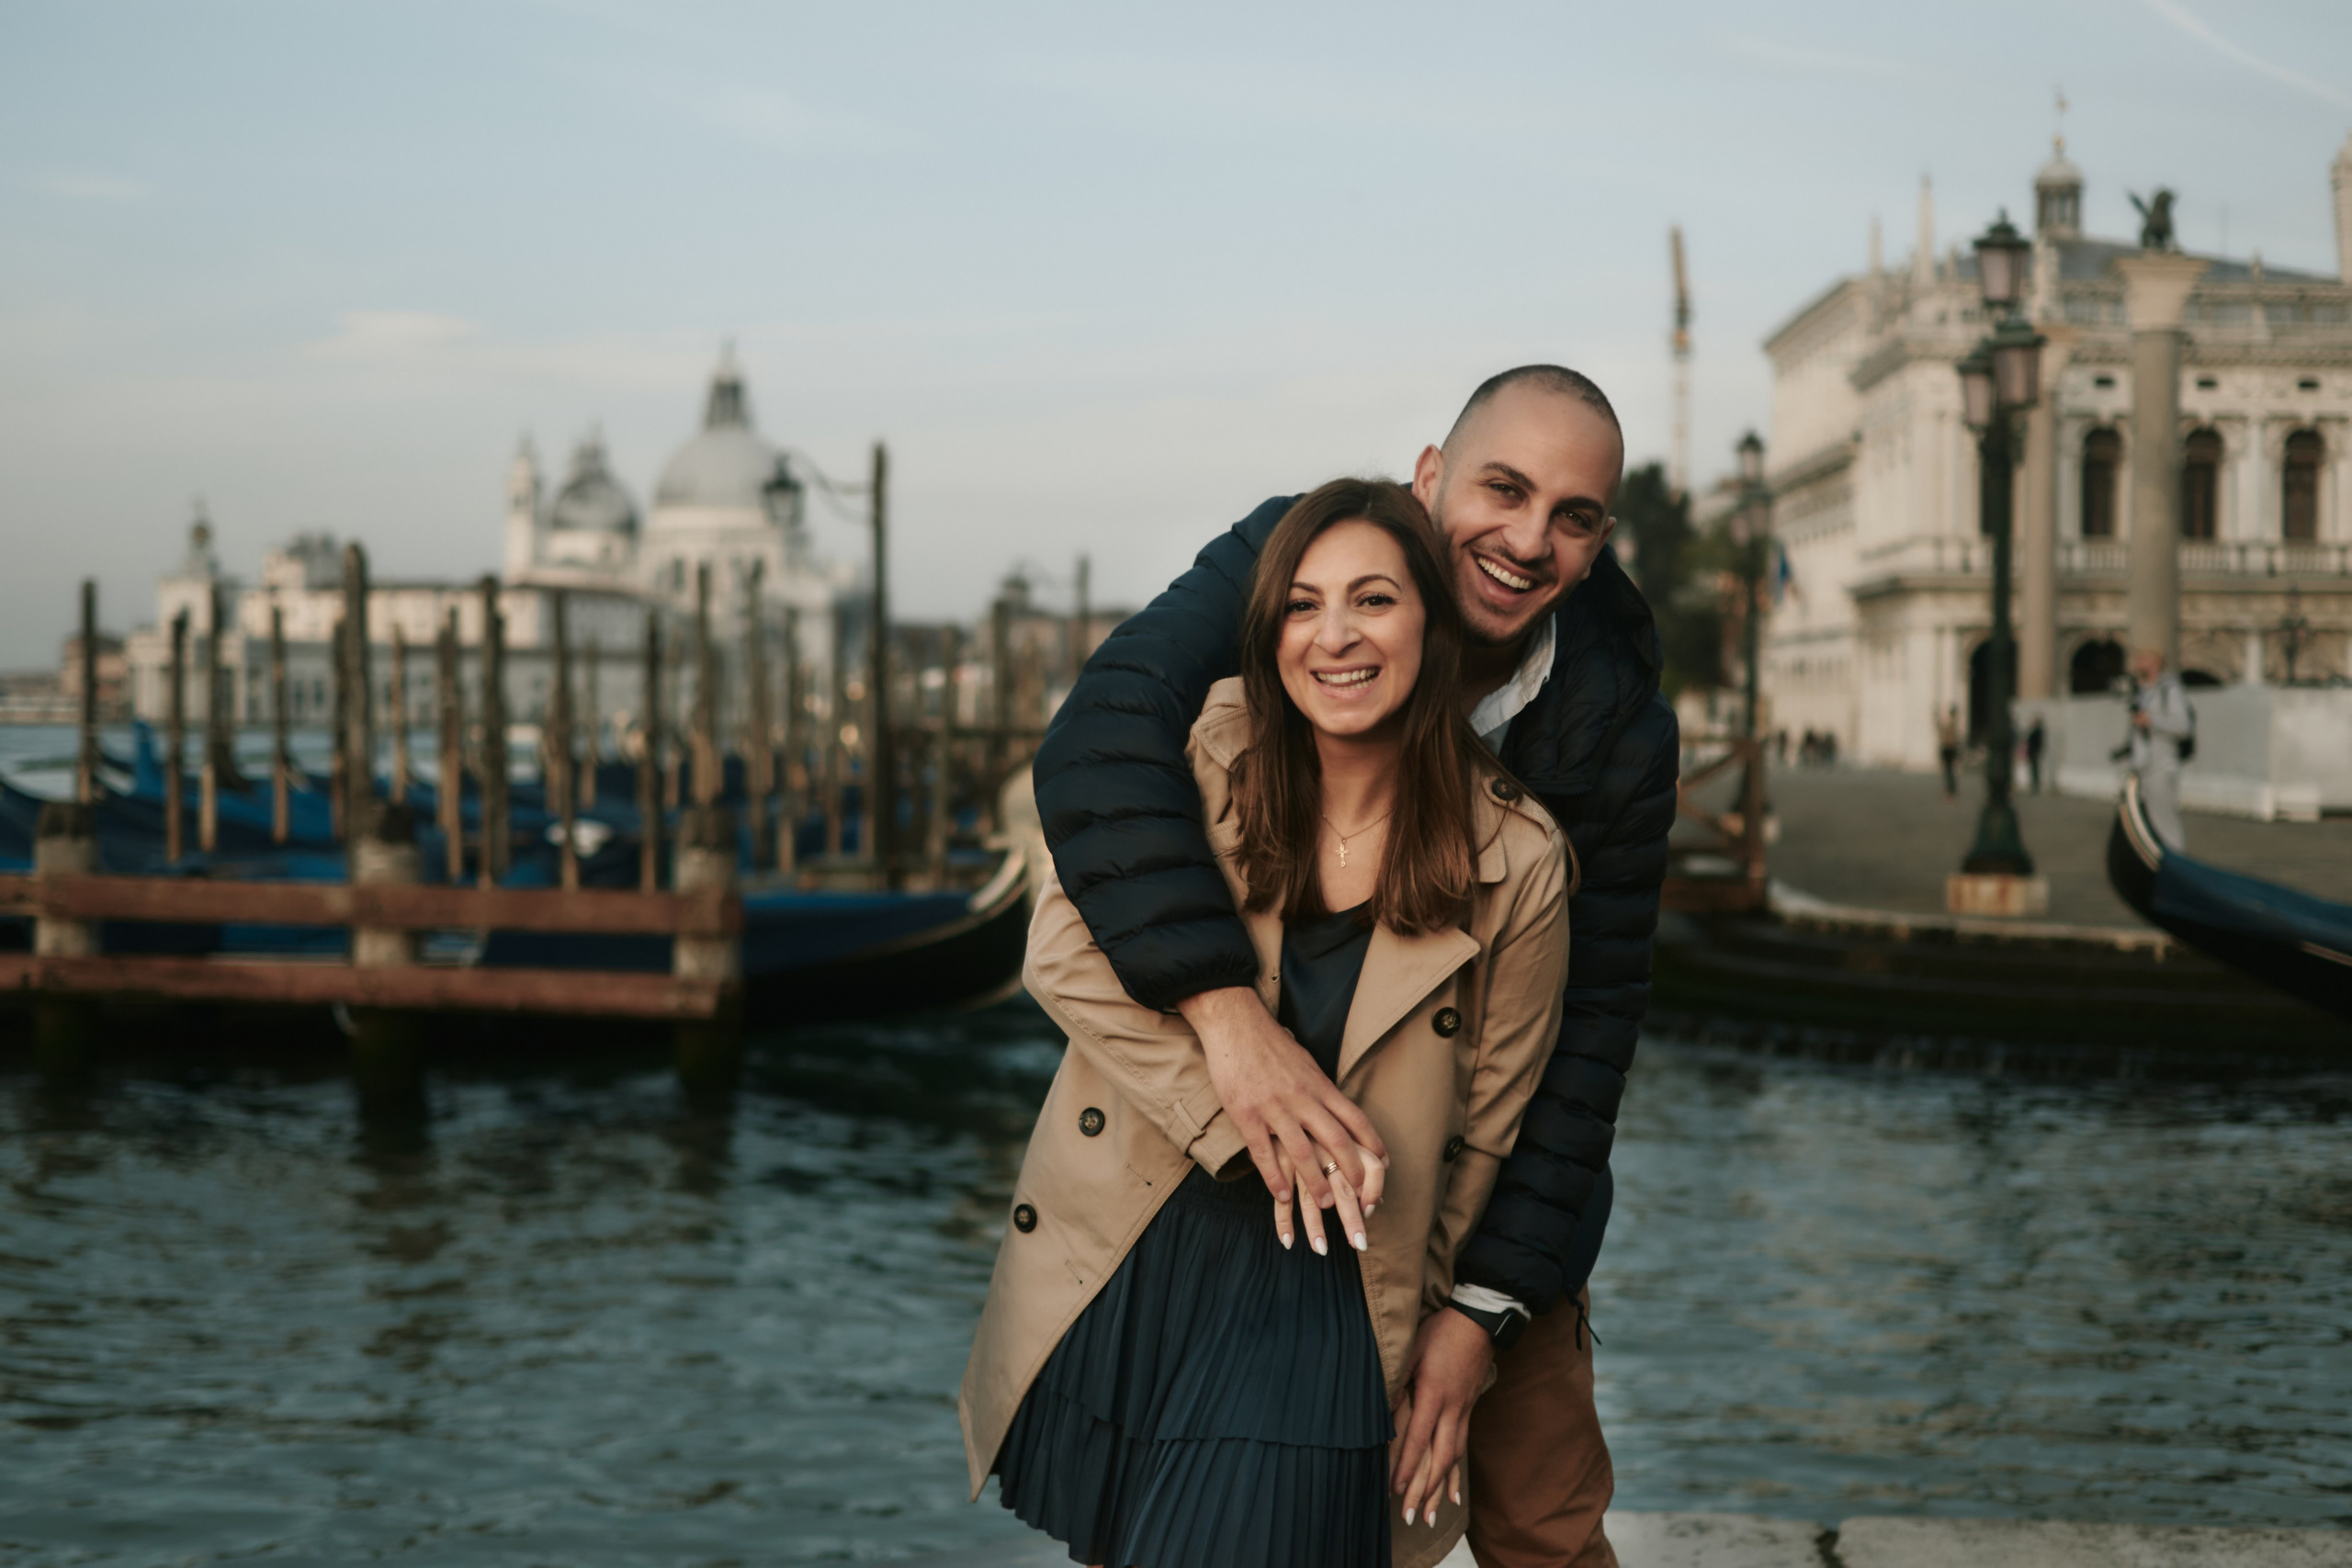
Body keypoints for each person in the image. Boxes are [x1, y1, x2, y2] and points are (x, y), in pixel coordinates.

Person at [1031, 366, 1679, 1568]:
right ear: (1432, 476)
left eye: (1574, 515)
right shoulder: (1296, 561)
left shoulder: (1607, 734)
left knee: (1539, 1509)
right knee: (1180, 1501)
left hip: (1484, 1203)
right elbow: (1104, 734)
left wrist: (1482, 1304)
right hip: (1244, 1184)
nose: (1530, 539)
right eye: (1503, 487)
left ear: (1598, 539)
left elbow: (1585, 1040)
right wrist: (1232, 1034)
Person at [962, 480, 1573, 1568]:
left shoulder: (1518, 858)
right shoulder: (1203, 755)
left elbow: (1489, 1129)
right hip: (1143, 1243)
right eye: (1300, 606)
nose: (1333, 636)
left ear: (1430, 624)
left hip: (1335, 1291)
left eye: (1373, 601)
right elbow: (1062, 954)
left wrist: (1448, 1321)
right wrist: (1242, 1112)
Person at [2128, 648, 2194, 851]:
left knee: (2167, 823)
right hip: (2145, 765)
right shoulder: (2143, 691)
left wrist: (2152, 721)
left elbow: (2184, 726)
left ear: (2156, 661)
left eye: (2144, 658)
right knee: (2152, 824)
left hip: (2163, 764)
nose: (2138, 663)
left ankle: (2176, 866)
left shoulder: (2170, 690)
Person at [1936, 705, 1962, 795]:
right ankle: (1950, 790)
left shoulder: (1951, 725)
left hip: (1949, 749)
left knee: (1949, 771)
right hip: (1948, 749)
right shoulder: (1951, 724)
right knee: (1949, 771)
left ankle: (1951, 790)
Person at [2024, 716, 2047, 794]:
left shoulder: (2038, 731)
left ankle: (2035, 786)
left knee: (2035, 770)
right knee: (2034, 770)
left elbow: (2036, 742)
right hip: (2033, 752)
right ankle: (2034, 786)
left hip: (2034, 752)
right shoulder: (2036, 731)